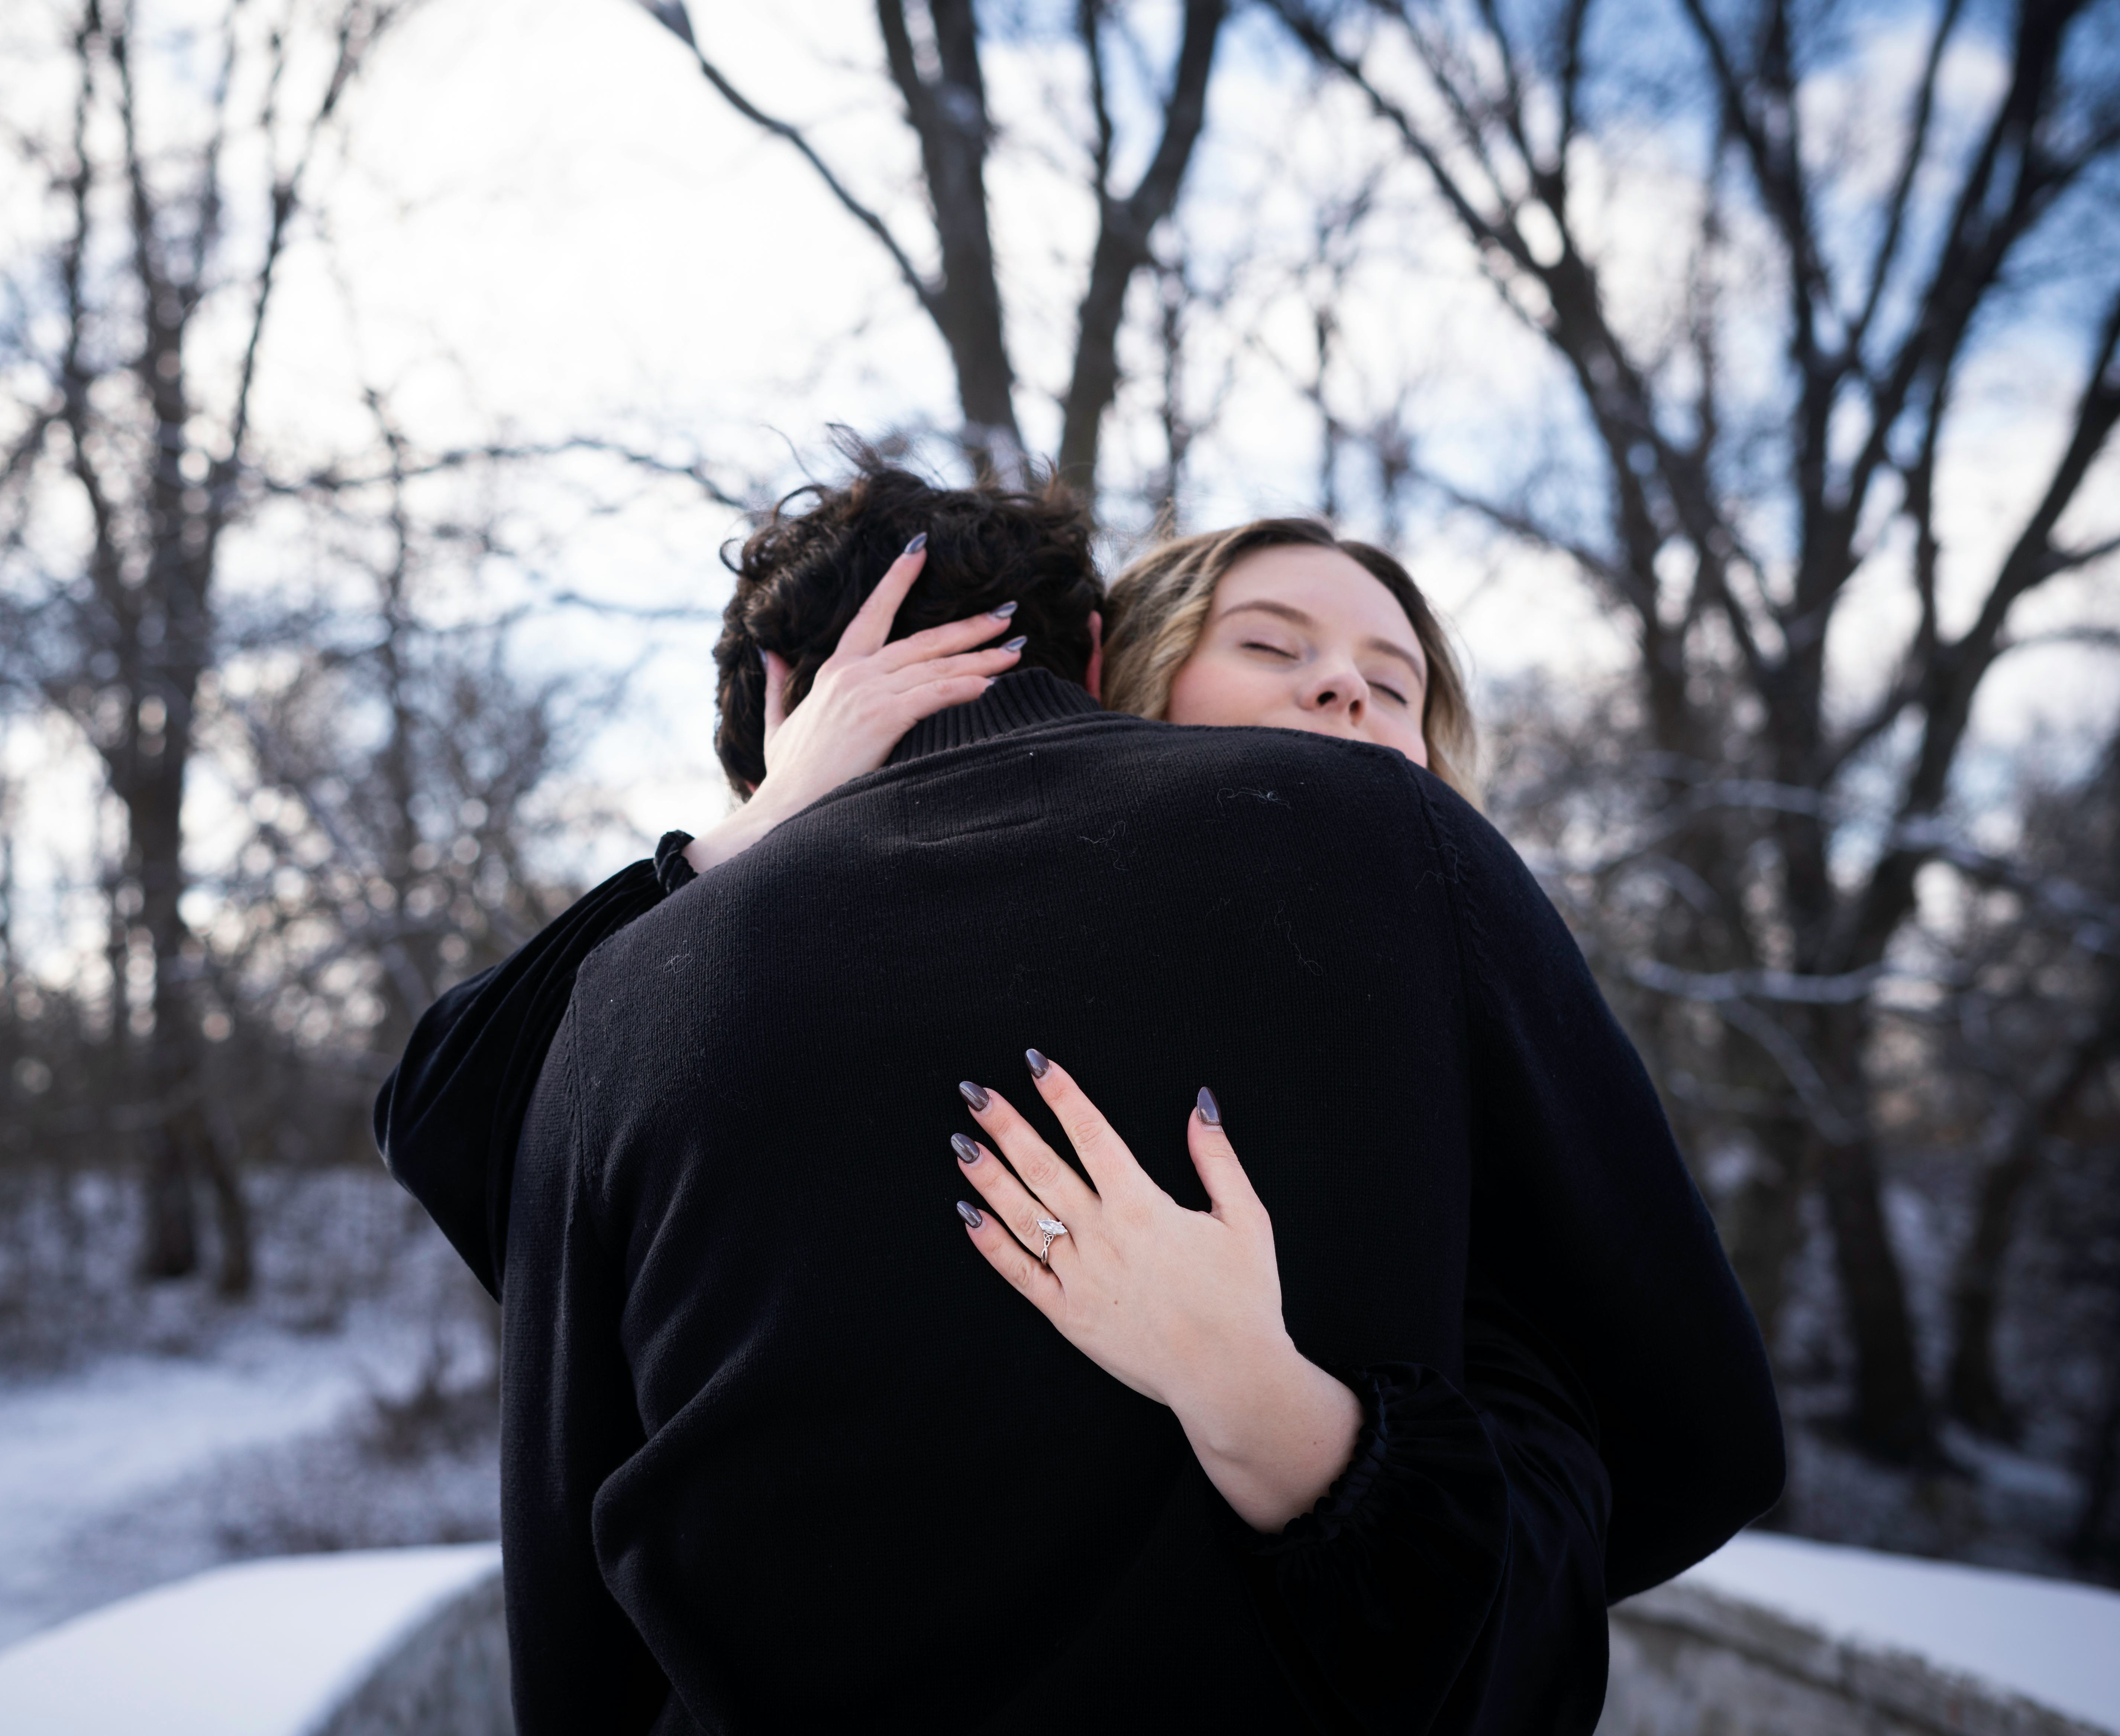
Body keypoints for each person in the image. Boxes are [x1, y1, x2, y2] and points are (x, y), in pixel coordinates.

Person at [378, 461, 1782, 1732]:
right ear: (1114, 659)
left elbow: (564, 1544)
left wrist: (1279, 1412)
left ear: (771, 691)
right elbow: (1673, 1442)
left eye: (1394, 679)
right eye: (1274, 648)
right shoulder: (1392, 852)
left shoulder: (625, 1002)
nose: (1346, 695)